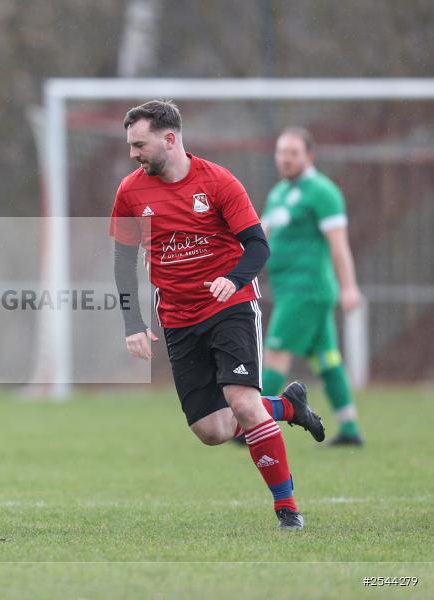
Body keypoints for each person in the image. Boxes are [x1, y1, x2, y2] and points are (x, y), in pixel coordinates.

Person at [111, 100, 325, 530]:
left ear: (170, 139)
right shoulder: (130, 191)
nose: (133, 153)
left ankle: (287, 511)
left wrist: (232, 278)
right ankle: (287, 406)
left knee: (242, 402)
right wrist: (134, 325)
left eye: (140, 144)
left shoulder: (219, 182)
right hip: (177, 316)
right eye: (131, 146)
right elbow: (121, 261)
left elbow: (258, 246)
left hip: (231, 307)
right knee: (211, 430)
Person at [261, 127, 364, 446]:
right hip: (290, 289)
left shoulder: (323, 192)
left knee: (276, 351)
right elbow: (261, 235)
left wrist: (349, 287)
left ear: (309, 156)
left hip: (306, 290)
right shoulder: (279, 193)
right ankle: (349, 429)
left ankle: (251, 422)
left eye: (293, 153)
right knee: (327, 360)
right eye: (281, 152)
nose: (285, 159)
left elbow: (338, 244)